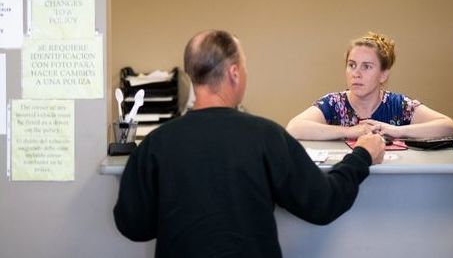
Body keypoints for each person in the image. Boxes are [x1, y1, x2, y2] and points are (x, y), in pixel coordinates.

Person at [113, 30, 385, 258]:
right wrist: (362, 154)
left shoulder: (156, 143)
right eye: (244, 66)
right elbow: (323, 203)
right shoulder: (266, 136)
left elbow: (133, 226)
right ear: (234, 73)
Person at [287, 31, 453, 140]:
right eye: (352, 65)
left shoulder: (399, 105)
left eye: (367, 67)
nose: (356, 73)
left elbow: (449, 127)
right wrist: (349, 131)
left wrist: (396, 131)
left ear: (383, 74)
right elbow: (294, 128)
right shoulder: (334, 103)